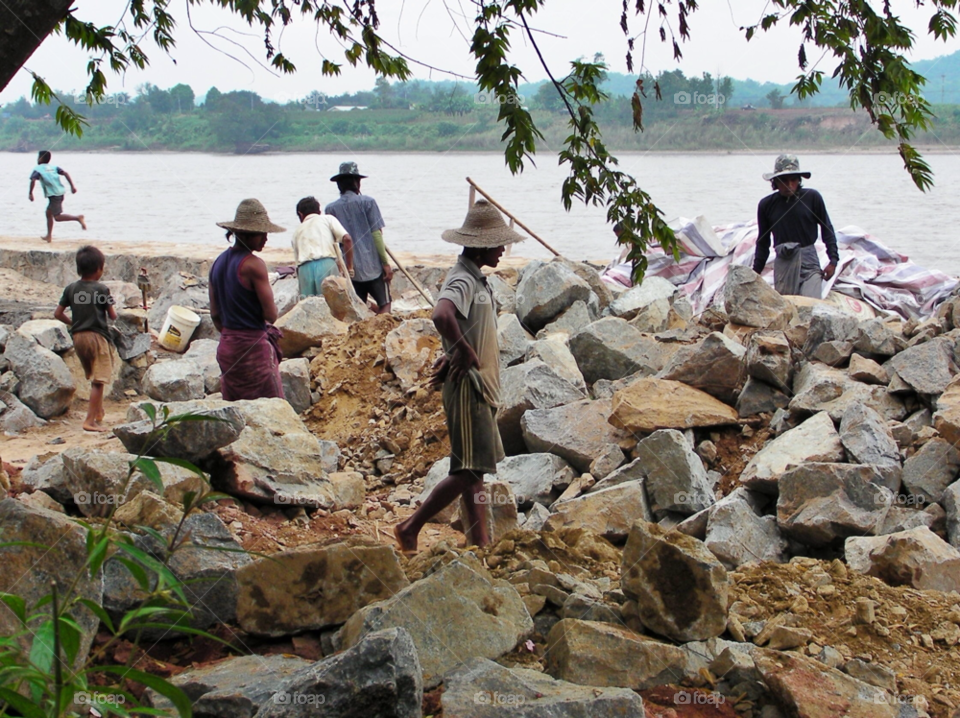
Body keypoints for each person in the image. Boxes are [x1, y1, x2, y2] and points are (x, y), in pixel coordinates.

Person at [394, 200, 524, 554]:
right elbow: (441, 314)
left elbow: (462, 324)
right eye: (498, 244)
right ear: (481, 244)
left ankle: (479, 540)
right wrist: (464, 351)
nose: (502, 250)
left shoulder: (476, 277)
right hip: (469, 386)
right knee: (468, 470)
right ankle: (410, 526)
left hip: (480, 386)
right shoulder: (463, 278)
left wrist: (454, 348)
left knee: (475, 470)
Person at [209, 198, 286, 401]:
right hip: (253, 351)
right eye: (262, 234)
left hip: (227, 348)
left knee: (237, 412)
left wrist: (232, 332)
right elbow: (271, 314)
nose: (266, 239)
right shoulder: (254, 265)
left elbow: (216, 315)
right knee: (272, 409)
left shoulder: (217, 263)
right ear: (247, 234)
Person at [753, 154, 840, 298]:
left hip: (809, 260)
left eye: (793, 180)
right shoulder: (766, 205)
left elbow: (827, 229)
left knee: (811, 305)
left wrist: (833, 260)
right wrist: (756, 272)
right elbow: (763, 242)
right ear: (775, 182)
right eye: (784, 180)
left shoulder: (812, 198)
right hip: (784, 261)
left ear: (799, 180)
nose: (789, 185)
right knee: (787, 308)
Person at [54, 245, 116, 432]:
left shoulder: (71, 289)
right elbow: (112, 315)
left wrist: (74, 323)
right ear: (99, 269)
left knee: (94, 376)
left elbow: (58, 313)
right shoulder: (102, 289)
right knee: (100, 379)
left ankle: (98, 413)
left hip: (78, 338)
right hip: (97, 337)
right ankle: (89, 421)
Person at [324, 162, 393, 313]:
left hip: (350, 270)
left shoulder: (331, 208)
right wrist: (386, 263)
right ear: (357, 183)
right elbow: (377, 234)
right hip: (373, 266)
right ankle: (382, 330)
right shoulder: (368, 202)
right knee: (385, 304)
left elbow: (333, 242)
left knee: (359, 309)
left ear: (339, 185)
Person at [292, 196, 354, 297]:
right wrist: (350, 267)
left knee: (309, 306)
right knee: (333, 305)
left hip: (304, 269)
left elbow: (297, 265)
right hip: (327, 264)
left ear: (300, 214)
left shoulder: (296, 232)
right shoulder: (327, 219)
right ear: (319, 211)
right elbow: (347, 239)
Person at [28, 150, 86, 242]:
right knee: (48, 213)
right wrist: (72, 186)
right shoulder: (53, 167)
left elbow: (33, 180)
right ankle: (49, 236)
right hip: (60, 192)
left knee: (57, 217)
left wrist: (30, 193)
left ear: (40, 159)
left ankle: (77, 218)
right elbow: (65, 173)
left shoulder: (38, 169)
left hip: (54, 195)